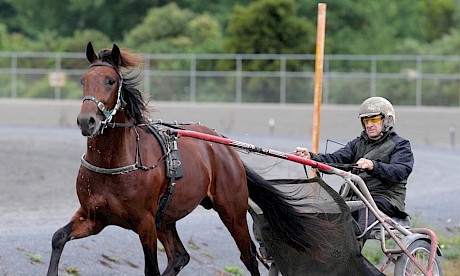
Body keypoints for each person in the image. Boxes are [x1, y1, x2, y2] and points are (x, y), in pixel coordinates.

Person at [295, 96, 414, 243]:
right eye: (366, 121)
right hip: (356, 197)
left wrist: (373, 165)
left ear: (387, 120)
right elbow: (336, 159)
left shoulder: (400, 145)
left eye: (374, 120)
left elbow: (400, 171)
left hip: (384, 198)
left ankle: (353, 258)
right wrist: (311, 157)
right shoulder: (357, 144)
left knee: (360, 220)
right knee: (327, 215)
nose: (369, 125)